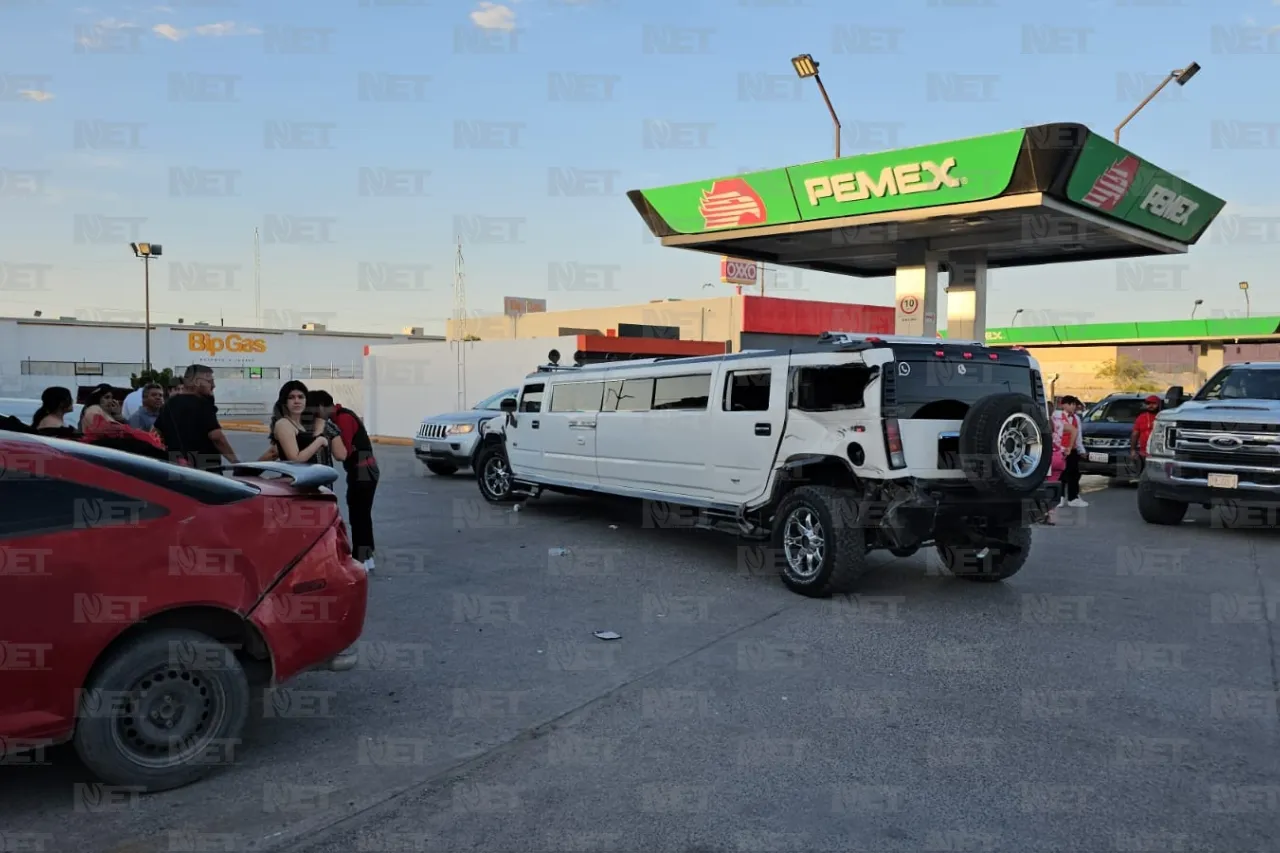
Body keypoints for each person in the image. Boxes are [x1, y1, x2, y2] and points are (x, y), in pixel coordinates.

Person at [308, 389, 379, 572]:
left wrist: (324, 439)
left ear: (323, 407)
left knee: (359, 515)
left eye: (315, 410)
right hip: (363, 469)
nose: (314, 415)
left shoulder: (343, 419)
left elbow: (343, 453)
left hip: (363, 470)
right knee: (361, 514)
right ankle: (367, 557)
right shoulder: (342, 416)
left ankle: (362, 559)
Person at [155, 364, 239, 471]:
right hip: (206, 467)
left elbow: (155, 432)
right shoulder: (203, 404)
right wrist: (235, 462)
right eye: (209, 381)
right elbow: (217, 437)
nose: (213, 386)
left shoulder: (169, 404)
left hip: (177, 466)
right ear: (196, 382)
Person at [269, 381, 333, 465]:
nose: (297, 401)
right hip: (297, 477)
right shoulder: (284, 424)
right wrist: (320, 441)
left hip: (310, 476)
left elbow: (273, 453)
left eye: (301, 397)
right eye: (291, 397)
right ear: (285, 402)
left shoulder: (300, 424)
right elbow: (295, 460)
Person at [1052, 394, 1088, 508]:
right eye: (1070, 404)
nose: (1073, 407)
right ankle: (1059, 497)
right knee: (1060, 474)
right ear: (1063, 405)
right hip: (1060, 450)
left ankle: (1073, 498)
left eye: (1074, 404)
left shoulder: (1076, 418)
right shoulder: (1056, 416)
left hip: (1072, 450)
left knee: (1074, 474)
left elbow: (1078, 436)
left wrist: (1081, 449)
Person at [1129, 394, 1162, 475]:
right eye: (1148, 403)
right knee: (1144, 474)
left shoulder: (1163, 416)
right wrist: (1133, 450)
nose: (1151, 406)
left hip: (1159, 453)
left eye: (1154, 403)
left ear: (1159, 404)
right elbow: (1135, 434)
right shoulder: (1141, 417)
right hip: (1143, 453)